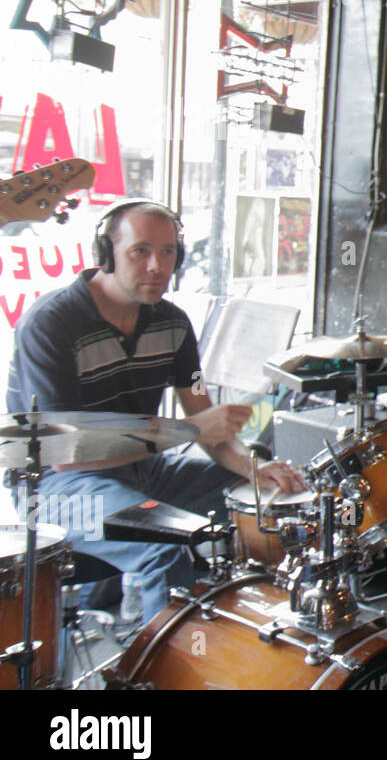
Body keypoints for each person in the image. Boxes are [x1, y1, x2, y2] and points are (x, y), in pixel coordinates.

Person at [6, 201, 305, 622]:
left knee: (264, 504)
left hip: (143, 470)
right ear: (106, 254)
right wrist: (187, 430)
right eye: (140, 251)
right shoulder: (50, 324)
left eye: (168, 252)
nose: (157, 266)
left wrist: (252, 469)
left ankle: (254, 638)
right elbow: (68, 456)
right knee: (163, 545)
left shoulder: (173, 324)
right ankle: (161, 669)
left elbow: (201, 407)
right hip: (55, 493)